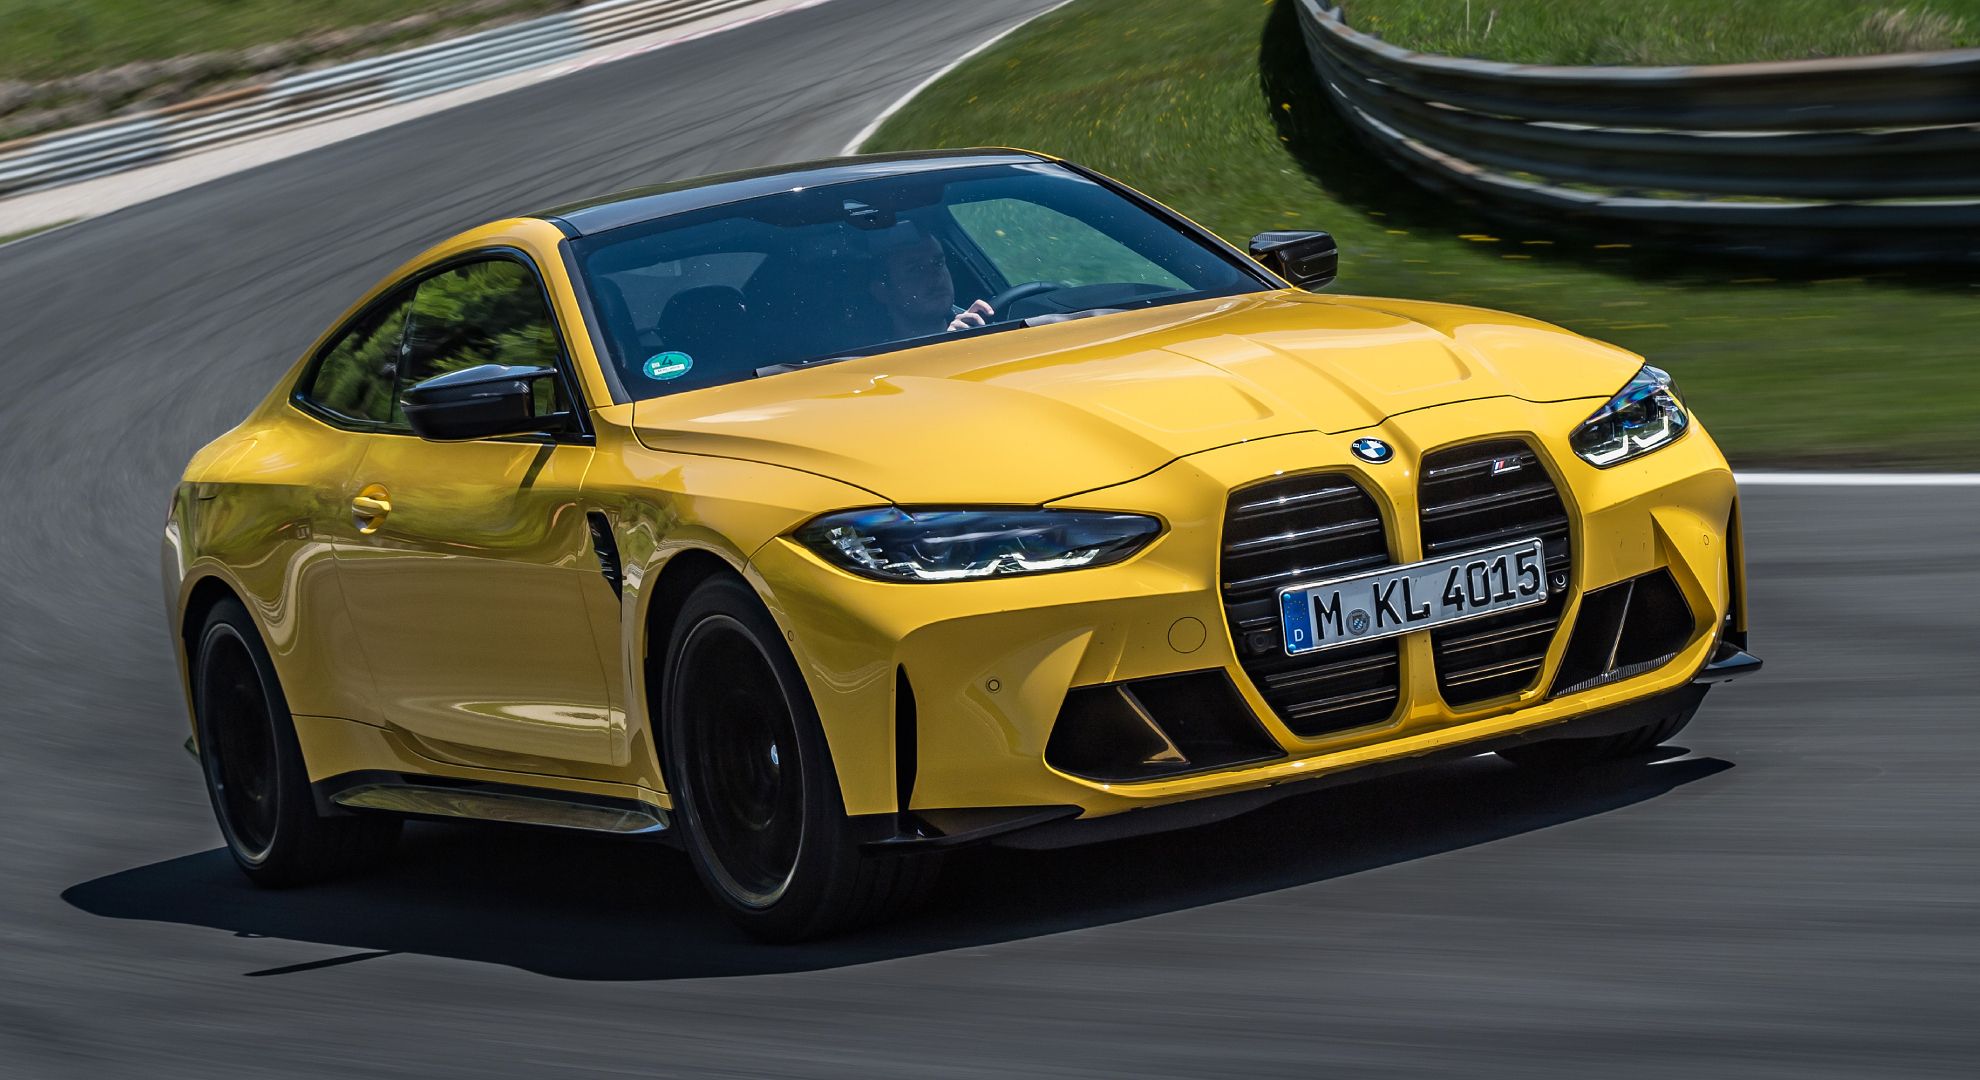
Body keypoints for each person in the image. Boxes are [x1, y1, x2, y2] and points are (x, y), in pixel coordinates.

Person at [865, 224, 995, 339]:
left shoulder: (979, 327)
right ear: (882, 292)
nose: (935, 275)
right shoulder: (869, 361)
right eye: (915, 269)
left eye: (938, 263)